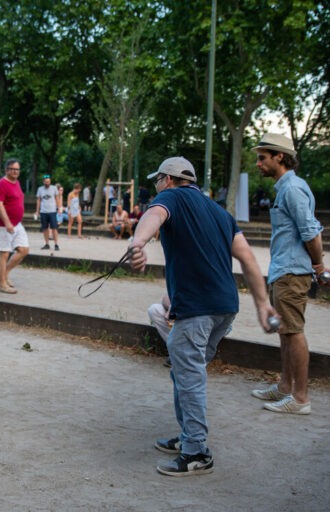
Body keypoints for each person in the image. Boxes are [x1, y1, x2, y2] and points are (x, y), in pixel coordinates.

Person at [128, 156, 275, 477]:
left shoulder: (170, 196)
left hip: (198, 307)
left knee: (190, 376)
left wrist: (137, 242)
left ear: (168, 179)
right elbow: (248, 257)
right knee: (185, 371)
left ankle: (196, 452)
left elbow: (154, 214)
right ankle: (187, 438)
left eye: (158, 181)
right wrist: (263, 304)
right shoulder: (220, 212)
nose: (157, 187)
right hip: (225, 307)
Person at [251, 133, 330, 415]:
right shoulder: (286, 188)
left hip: (292, 272)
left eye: (262, 158)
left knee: (294, 333)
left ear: (280, 157)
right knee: (285, 332)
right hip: (283, 271)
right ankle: (285, 387)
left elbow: (311, 231)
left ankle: (300, 398)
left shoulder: (292, 189)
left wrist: (319, 265)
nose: (258, 163)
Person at [0, 159, 29, 294]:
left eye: (17, 169)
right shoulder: (2, 184)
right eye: (12, 169)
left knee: (24, 250)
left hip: (17, 224)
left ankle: (4, 273)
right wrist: (7, 222)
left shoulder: (17, 182)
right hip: (4, 224)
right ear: (6, 170)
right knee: (4, 253)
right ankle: (2, 284)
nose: (15, 171)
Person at [35, 174, 61, 251]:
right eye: (46, 182)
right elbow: (38, 200)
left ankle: (56, 244)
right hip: (43, 211)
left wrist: (59, 208)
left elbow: (57, 198)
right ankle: (47, 244)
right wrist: (37, 211)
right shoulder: (40, 189)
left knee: (54, 228)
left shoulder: (54, 188)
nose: (47, 183)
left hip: (52, 211)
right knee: (45, 228)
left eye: (49, 182)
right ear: (43, 182)